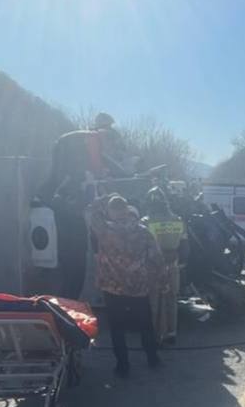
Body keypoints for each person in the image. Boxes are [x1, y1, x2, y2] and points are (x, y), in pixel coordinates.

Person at [39, 113, 130, 299]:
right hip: (68, 205)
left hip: (60, 194)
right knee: (75, 265)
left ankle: (68, 301)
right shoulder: (94, 138)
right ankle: (69, 304)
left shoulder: (77, 140)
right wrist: (108, 176)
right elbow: (97, 166)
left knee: (70, 262)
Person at [89, 193, 164, 377]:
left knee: (117, 328)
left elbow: (91, 212)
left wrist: (104, 198)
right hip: (139, 287)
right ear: (127, 210)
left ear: (111, 212)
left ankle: (123, 366)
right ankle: (153, 358)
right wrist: (156, 280)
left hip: (112, 288)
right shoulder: (143, 231)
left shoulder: (104, 230)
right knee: (145, 325)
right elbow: (157, 258)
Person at [142, 187, 186, 345]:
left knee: (154, 299)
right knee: (171, 298)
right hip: (173, 262)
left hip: (154, 265)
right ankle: (171, 333)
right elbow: (185, 244)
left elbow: (141, 246)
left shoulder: (146, 221)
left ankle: (154, 335)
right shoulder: (178, 220)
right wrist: (181, 263)